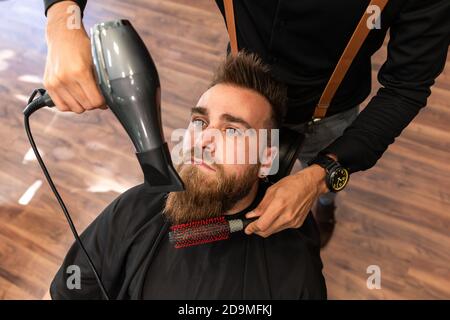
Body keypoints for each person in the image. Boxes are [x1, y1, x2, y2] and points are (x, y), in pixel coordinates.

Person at [42, 0, 450, 247]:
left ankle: (325, 204)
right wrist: (63, 22)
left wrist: (322, 178)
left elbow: (406, 88)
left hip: (327, 113)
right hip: (240, 83)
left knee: (320, 179)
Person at [49, 52, 327, 299]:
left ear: (267, 160)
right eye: (200, 122)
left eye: (232, 131)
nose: (203, 140)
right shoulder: (137, 207)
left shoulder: (293, 268)